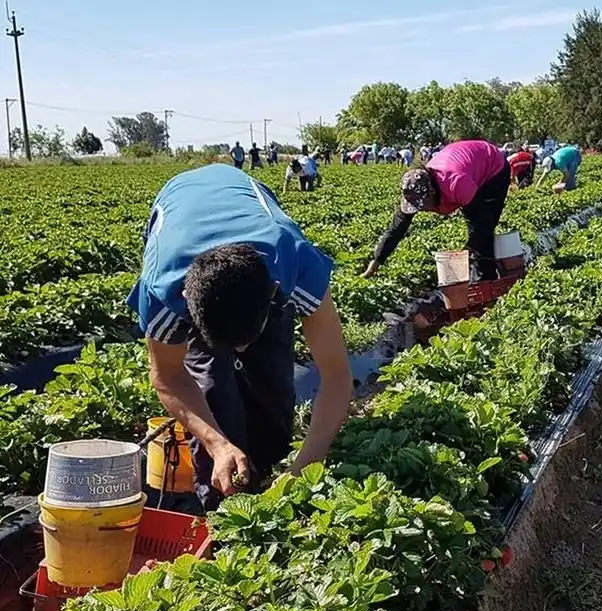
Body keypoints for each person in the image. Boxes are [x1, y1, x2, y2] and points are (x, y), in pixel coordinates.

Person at [126, 164, 352, 512]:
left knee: (273, 381)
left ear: (275, 293)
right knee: (213, 388)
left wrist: (306, 463)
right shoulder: (161, 293)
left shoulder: (295, 263)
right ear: (189, 306)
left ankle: (269, 470)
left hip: (248, 220)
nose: (241, 350)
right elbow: (168, 376)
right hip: (179, 211)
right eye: (230, 341)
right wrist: (217, 444)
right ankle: (220, 506)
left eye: (248, 337)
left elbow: (336, 374)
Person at [362, 140, 511, 282]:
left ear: (432, 192)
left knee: (483, 227)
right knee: (477, 234)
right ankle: (479, 276)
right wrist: (377, 261)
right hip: (465, 163)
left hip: (493, 167)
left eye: (423, 205)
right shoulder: (414, 191)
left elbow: (482, 223)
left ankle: (487, 280)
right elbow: (397, 228)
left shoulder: (457, 184)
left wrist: (466, 252)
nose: (423, 210)